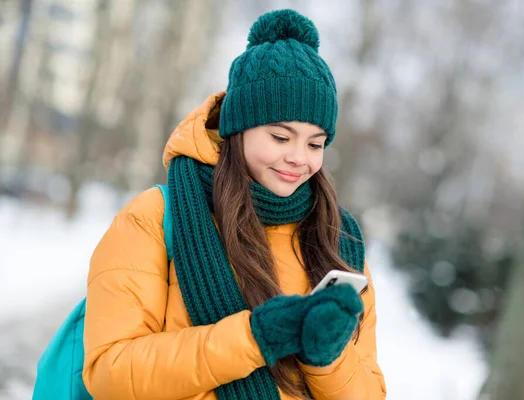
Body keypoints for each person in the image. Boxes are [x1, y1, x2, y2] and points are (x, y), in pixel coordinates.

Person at [83, 9, 386, 400]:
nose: (299, 157)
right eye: (280, 137)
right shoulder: (154, 218)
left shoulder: (339, 242)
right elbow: (110, 373)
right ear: (237, 129)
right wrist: (253, 338)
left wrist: (327, 358)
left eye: (315, 144)